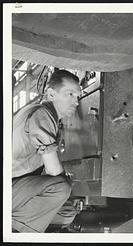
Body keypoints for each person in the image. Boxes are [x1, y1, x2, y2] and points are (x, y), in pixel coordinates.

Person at [12, 69, 81, 233]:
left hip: (17, 187)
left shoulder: (41, 113)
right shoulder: (43, 114)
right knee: (60, 187)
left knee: (67, 213)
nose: (76, 102)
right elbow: (53, 171)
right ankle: (14, 232)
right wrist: (69, 184)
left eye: (78, 96)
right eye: (70, 94)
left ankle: (20, 221)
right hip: (9, 188)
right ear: (51, 94)